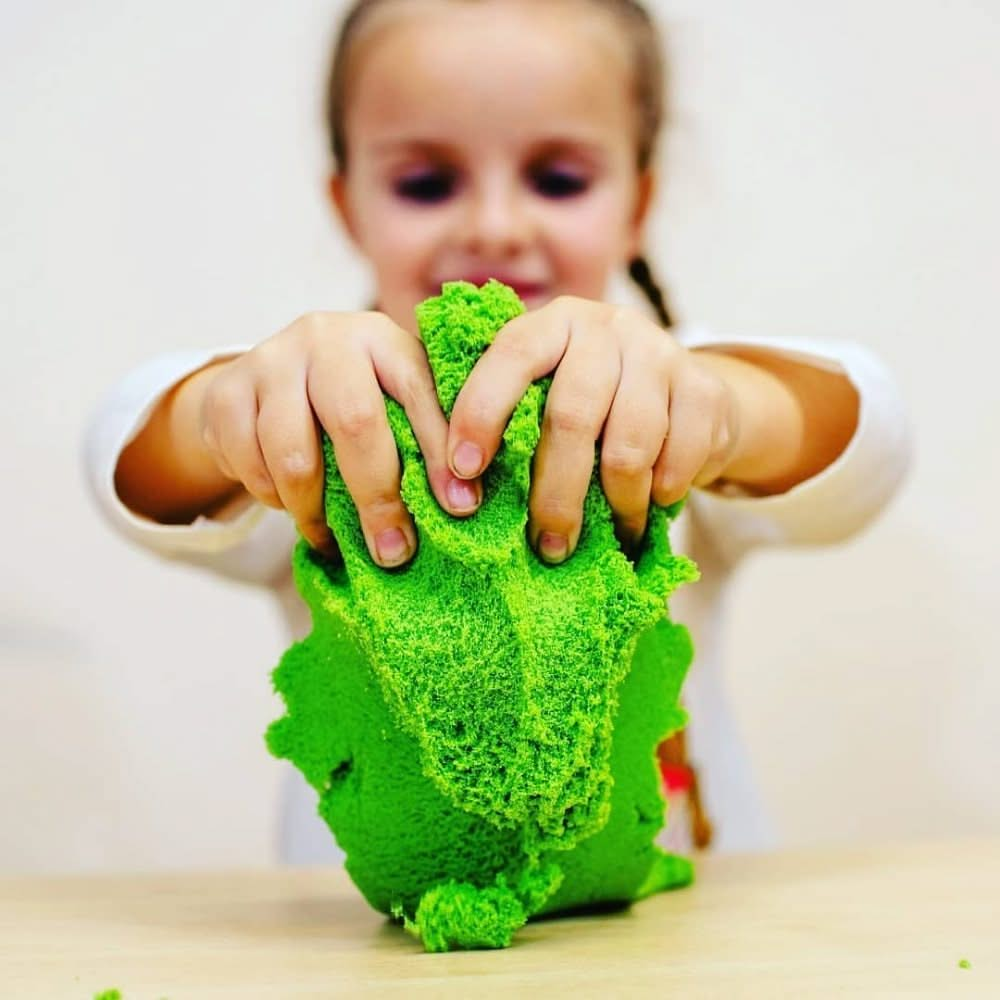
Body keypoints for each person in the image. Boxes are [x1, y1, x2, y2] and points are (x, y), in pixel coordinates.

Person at [84, 0, 909, 861]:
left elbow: (872, 437)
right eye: (426, 184)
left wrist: (727, 412)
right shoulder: (316, 426)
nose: (494, 228)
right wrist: (225, 419)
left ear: (640, 201)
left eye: (559, 180)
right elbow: (124, 463)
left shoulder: (664, 404)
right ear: (348, 206)